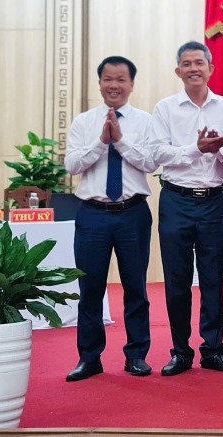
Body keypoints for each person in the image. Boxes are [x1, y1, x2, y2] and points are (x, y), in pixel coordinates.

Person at [149, 40, 223, 376]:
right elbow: (158, 153)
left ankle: (213, 350)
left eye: (199, 63)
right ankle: (180, 352)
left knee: (213, 280)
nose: (193, 68)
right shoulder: (165, 109)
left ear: (210, 68)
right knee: (176, 280)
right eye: (186, 63)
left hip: (213, 202)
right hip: (176, 199)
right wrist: (195, 147)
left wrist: (216, 150)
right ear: (178, 71)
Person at [64, 55, 157, 381]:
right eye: (108, 79)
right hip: (92, 215)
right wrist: (101, 141)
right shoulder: (83, 122)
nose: (114, 85)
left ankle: (136, 356)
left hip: (132, 213)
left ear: (131, 85)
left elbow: (150, 163)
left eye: (121, 79)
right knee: (90, 288)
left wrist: (120, 140)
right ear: (100, 82)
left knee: (135, 287)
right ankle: (89, 358)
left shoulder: (145, 121)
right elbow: (72, 165)